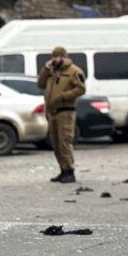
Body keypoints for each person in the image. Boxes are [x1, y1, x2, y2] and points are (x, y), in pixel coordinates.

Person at [38, 46, 85, 184]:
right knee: (56, 144)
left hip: (66, 111)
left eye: (57, 57)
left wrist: (63, 97)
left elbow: (81, 89)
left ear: (64, 57)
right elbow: (40, 84)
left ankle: (70, 172)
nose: (54, 60)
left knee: (65, 142)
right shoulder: (53, 71)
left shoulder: (74, 71)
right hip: (52, 112)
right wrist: (46, 70)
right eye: (53, 57)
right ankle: (63, 170)